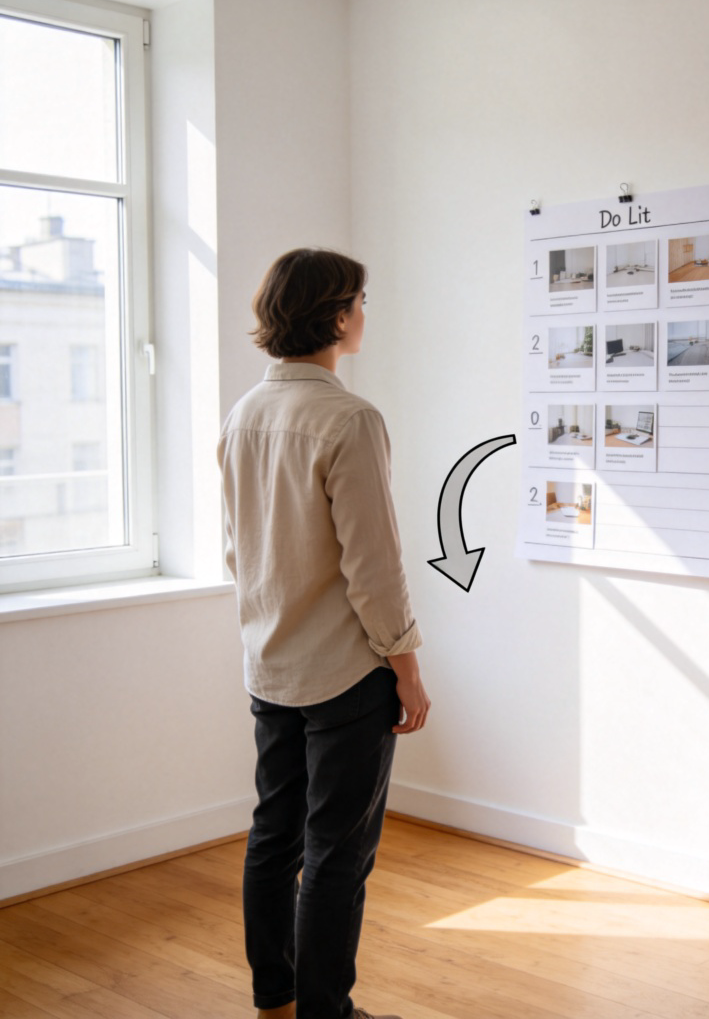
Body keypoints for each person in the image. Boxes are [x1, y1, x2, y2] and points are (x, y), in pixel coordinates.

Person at [217, 248, 430, 1019]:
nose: (364, 314)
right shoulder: (350, 418)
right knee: (337, 854)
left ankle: (273, 995)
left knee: (274, 835)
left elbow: (237, 551)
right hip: (346, 673)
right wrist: (406, 665)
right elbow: (375, 567)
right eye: (361, 302)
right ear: (337, 316)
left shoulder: (245, 414)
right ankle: (325, 1011)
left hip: (268, 663)